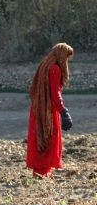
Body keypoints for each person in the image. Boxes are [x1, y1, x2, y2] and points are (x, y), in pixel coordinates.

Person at [26, 42, 74, 178]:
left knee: (39, 137)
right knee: (48, 138)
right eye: (66, 58)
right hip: (48, 110)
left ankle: (41, 172)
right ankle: (44, 172)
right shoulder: (54, 69)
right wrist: (63, 111)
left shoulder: (44, 65)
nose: (66, 62)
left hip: (37, 108)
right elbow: (55, 93)